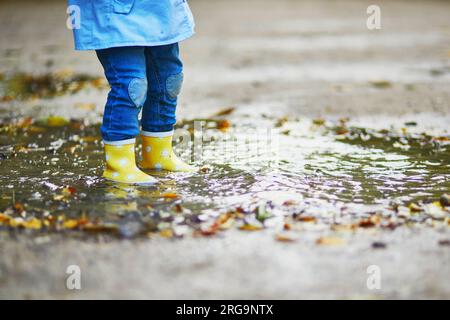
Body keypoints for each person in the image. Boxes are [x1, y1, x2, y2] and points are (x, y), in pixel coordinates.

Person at [67, 0, 196, 184]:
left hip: (162, 9)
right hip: (116, 13)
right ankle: (119, 165)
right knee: (131, 85)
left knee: (168, 80)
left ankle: (158, 155)